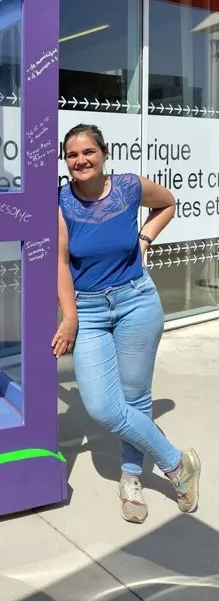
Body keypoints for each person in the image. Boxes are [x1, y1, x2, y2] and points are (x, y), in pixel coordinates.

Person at [52, 123, 201, 524]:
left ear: (104, 154)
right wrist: (70, 317)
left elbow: (168, 202)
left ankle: (131, 478)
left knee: (135, 398)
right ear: (65, 161)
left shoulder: (129, 187)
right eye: (72, 154)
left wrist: (145, 239)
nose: (80, 160)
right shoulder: (61, 201)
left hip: (137, 300)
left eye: (88, 152)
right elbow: (60, 263)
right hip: (91, 311)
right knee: (102, 407)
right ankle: (177, 463)